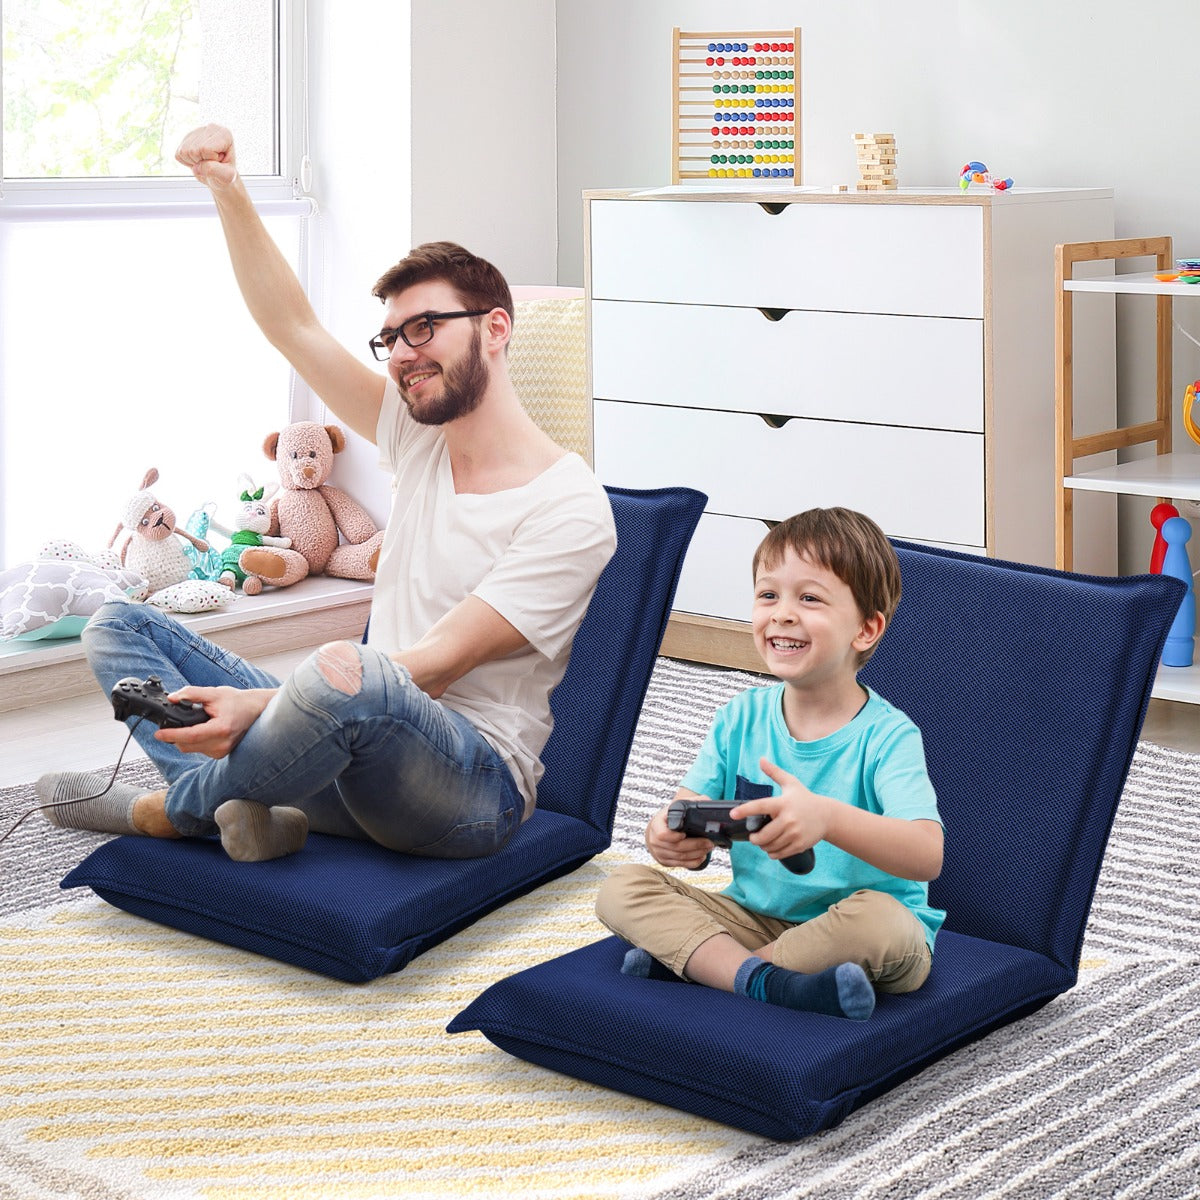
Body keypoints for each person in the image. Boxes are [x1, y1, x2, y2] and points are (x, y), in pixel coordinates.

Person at [37, 124, 616, 864]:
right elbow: (295, 328)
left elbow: (433, 665)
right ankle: (252, 810)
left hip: (467, 791)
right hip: (347, 736)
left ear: (496, 328)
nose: (405, 354)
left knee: (354, 667)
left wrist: (262, 705)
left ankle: (174, 809)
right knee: (121, 626)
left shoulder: (569, 506)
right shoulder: (419, 435)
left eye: (427, 327)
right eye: (393, 338)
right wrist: (229, 189)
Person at [595, 508, 943, 1021]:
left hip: (857, 926)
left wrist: (825, 819)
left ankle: (708, 968)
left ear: (866, 629)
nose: (781, 613)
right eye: (767, 595)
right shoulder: (739, 717)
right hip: (754, 917)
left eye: (809, 598)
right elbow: (686, 813)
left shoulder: (887, 736)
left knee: (882, 923)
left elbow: (926, 856)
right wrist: (669, 839)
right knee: (620, 888)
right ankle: (767, 981)